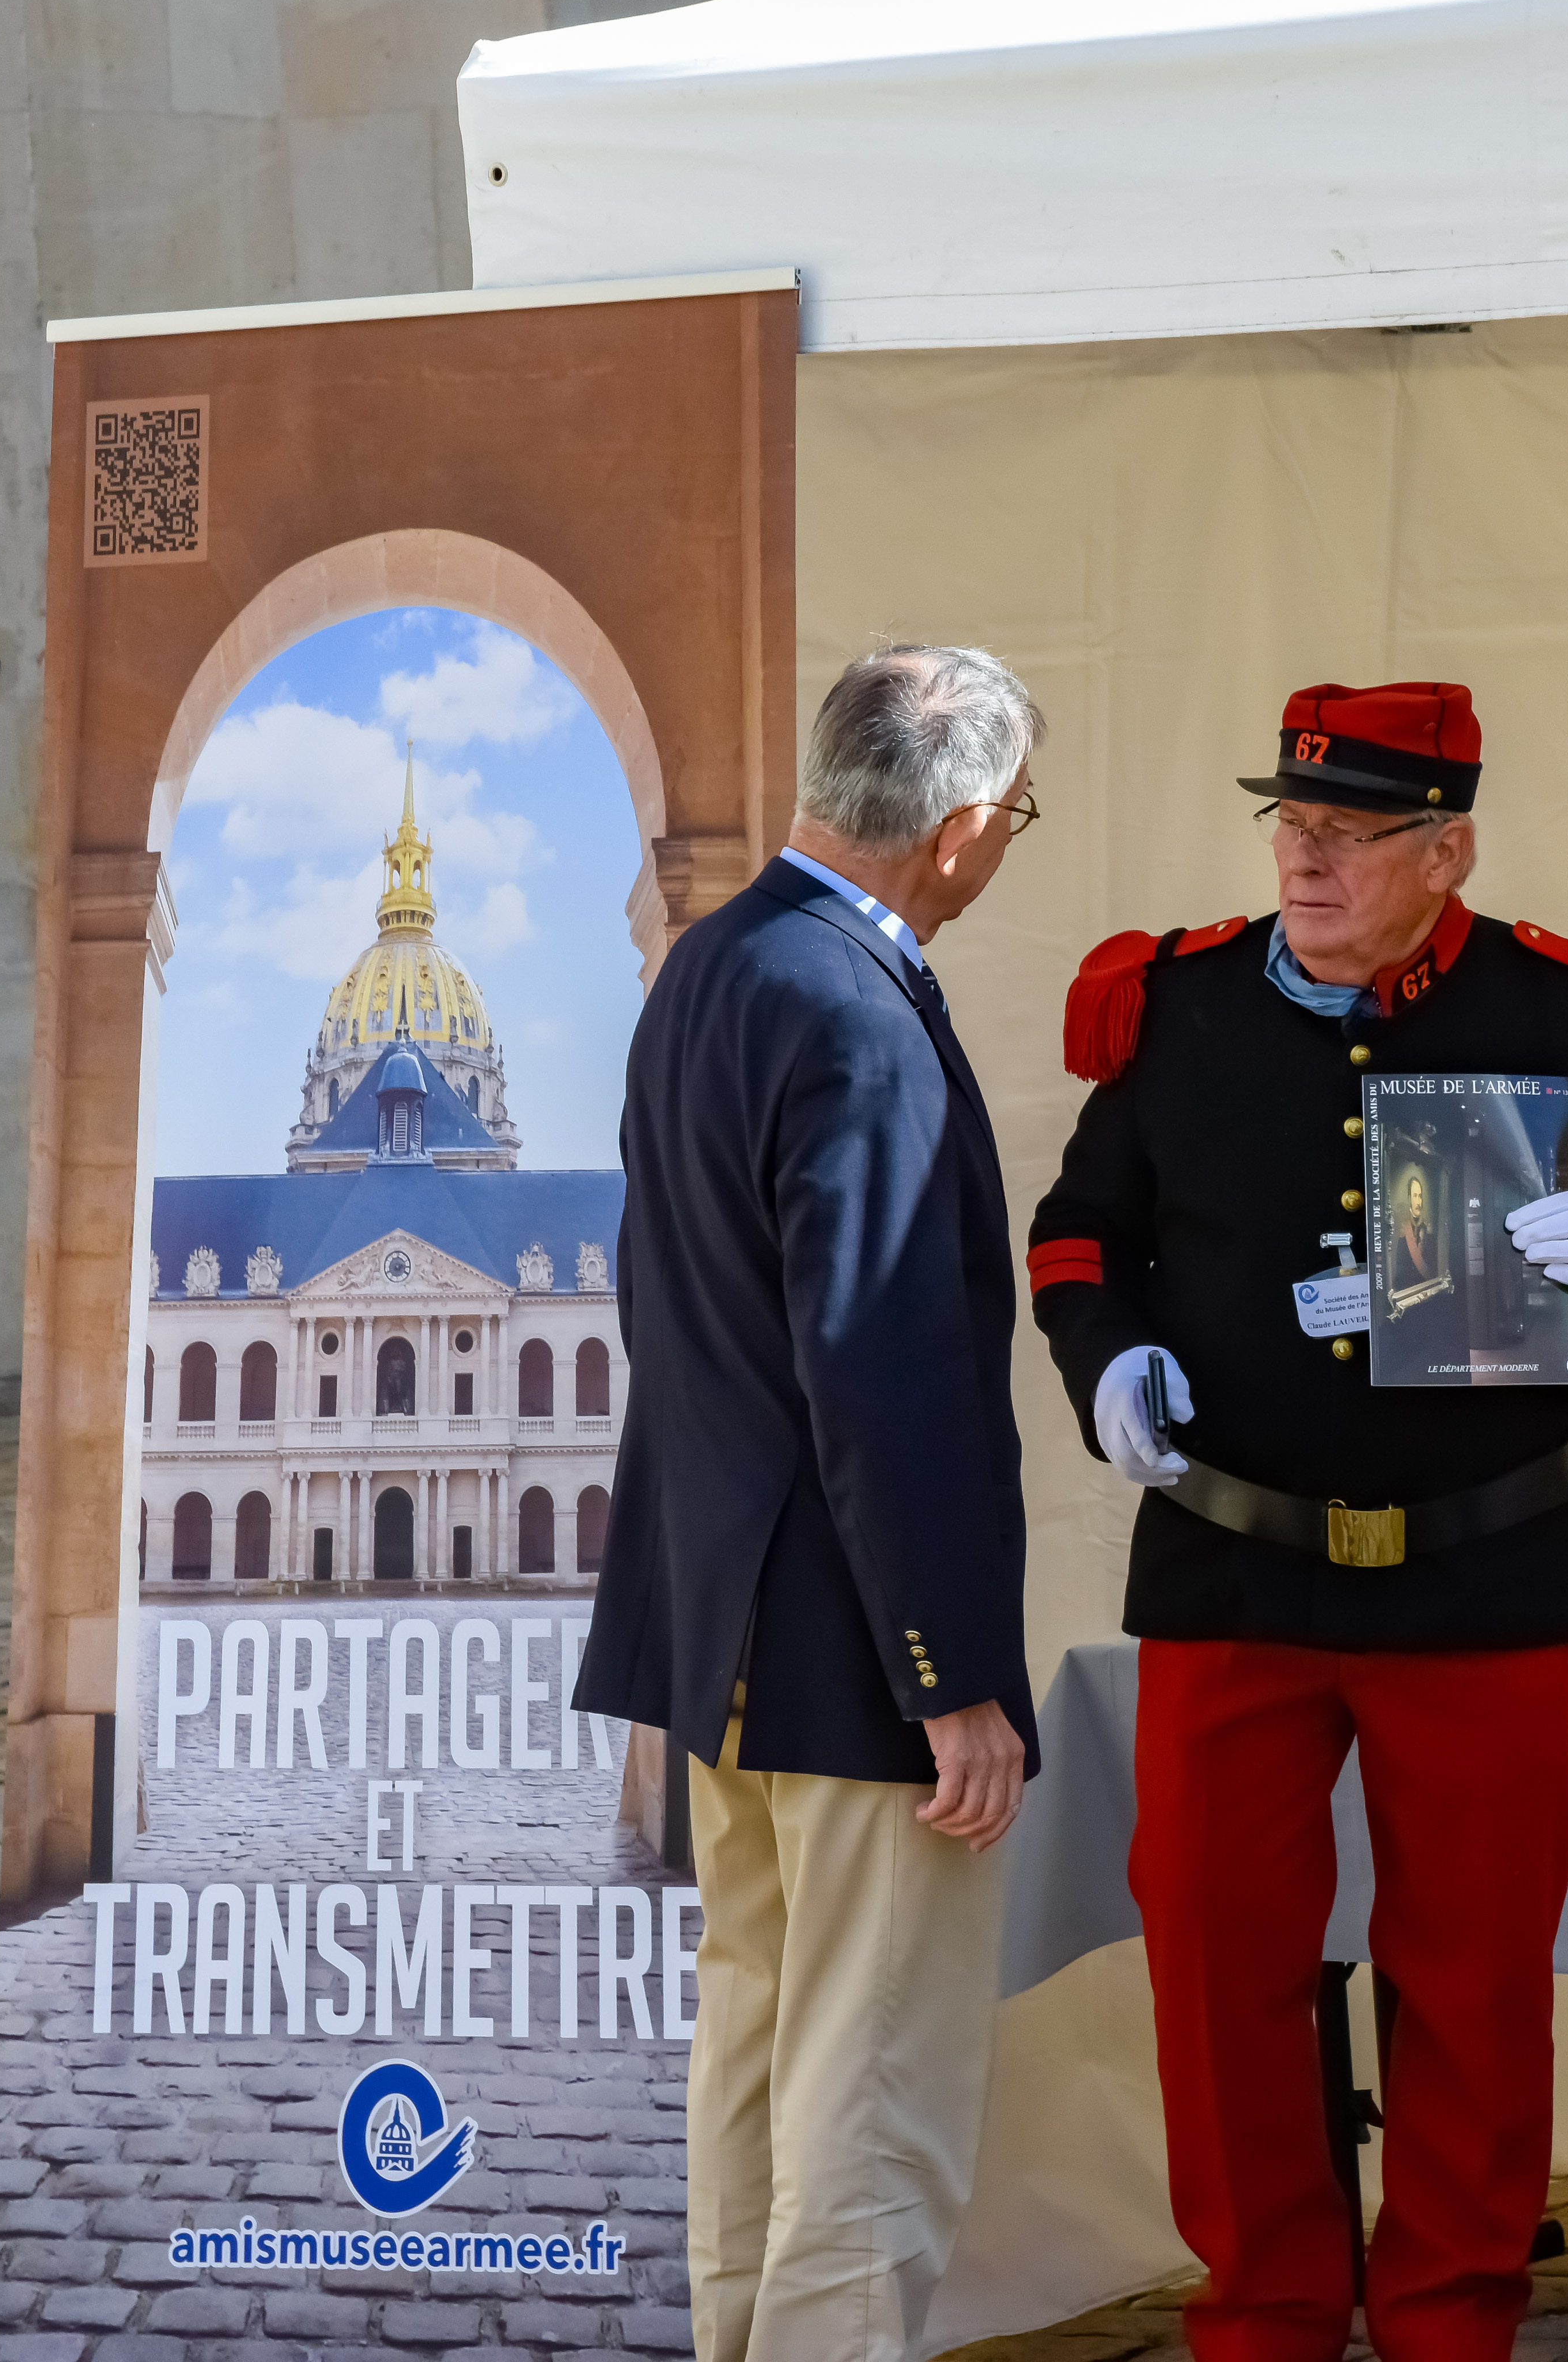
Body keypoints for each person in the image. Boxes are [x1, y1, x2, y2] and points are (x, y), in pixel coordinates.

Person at [1028, 681, 1568, 2362]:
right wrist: (1105, 1356)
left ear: (1450, 846)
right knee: (1216, 1980)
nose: (1304, 856)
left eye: (1350, 833)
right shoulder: (1177, 1000)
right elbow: (1081, 1231)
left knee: (1476, 1985)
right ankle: (1264, 2314)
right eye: (1287, 823)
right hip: (1227, 1561)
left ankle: (1448, 2314)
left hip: (1484, 1563)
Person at [574, 643, 1046, 2362]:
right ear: (965, 820)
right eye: (1014, 821)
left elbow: (671, 1299)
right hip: (850, 1634)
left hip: (724, 1612)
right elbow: (878, 1365)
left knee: (761, 2044)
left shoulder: (714, 958)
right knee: (872, 2077)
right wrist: (951, 1670)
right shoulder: (849, 1000)